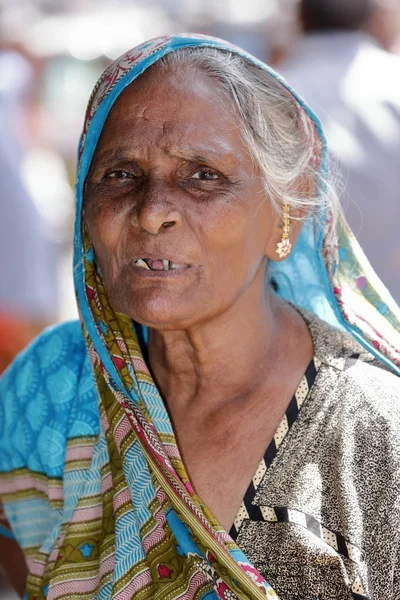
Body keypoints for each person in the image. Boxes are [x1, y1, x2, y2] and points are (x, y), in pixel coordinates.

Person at [0, 34, 400, 600]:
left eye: (204, 175)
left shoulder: (375, 433)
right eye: (119, 174)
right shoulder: (49, 387)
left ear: (285, 210)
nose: (153, 210)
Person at [279, 0, 400, 303]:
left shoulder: (265, 91)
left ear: (300, 18)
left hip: (302, 310)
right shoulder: (393, 82)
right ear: (374, 19)